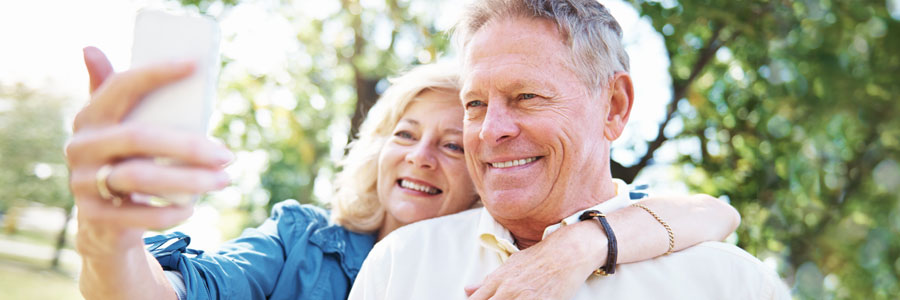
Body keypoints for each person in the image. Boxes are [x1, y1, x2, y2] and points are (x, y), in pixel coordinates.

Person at [68, 46, 738, 300]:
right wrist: (109, 235)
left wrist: (586, 241)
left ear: (488, 164)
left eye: (453, 146)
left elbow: (709, 212)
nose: (421, 156)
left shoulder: (513, 259)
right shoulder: (303, 241)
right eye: (406, 135)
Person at [348, 0, 791, 299]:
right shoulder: (398, 266)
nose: (491, 131)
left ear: (614, 107)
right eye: (476, 104)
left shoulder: (729, 282)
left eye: (527, 97)